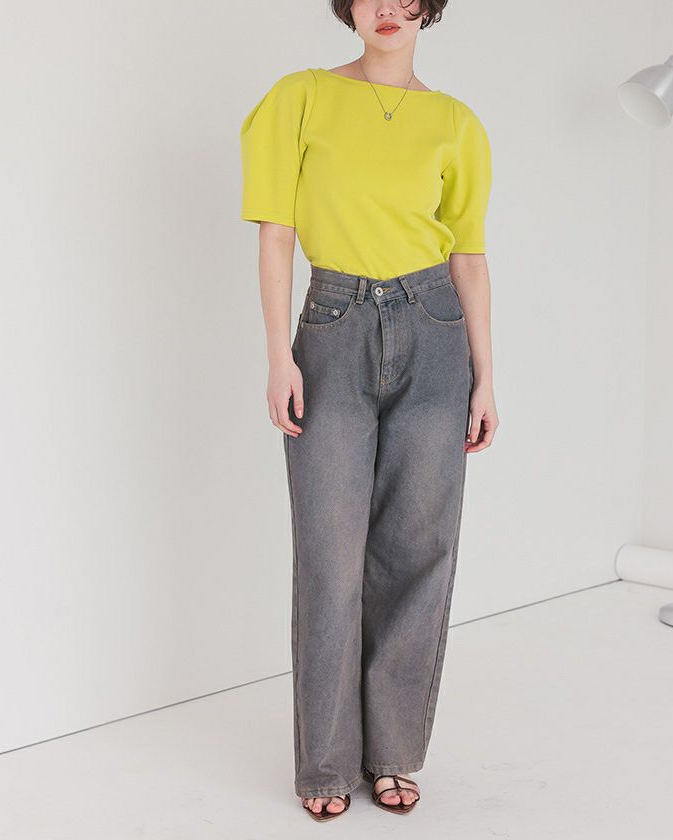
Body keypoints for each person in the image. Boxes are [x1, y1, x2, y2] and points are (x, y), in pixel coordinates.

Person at [239, 0, 499, 823]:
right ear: (347, 5)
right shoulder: (300, 97)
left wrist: (486, 377)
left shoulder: (456, 122)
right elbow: (276, 233)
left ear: (428, 8)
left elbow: (468, 255)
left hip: (435, 332)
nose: (388, 7)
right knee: (329, 556)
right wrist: (279, 354)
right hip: (332, 328)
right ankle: (324, 760)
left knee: (418, 552)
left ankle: (392, 755)